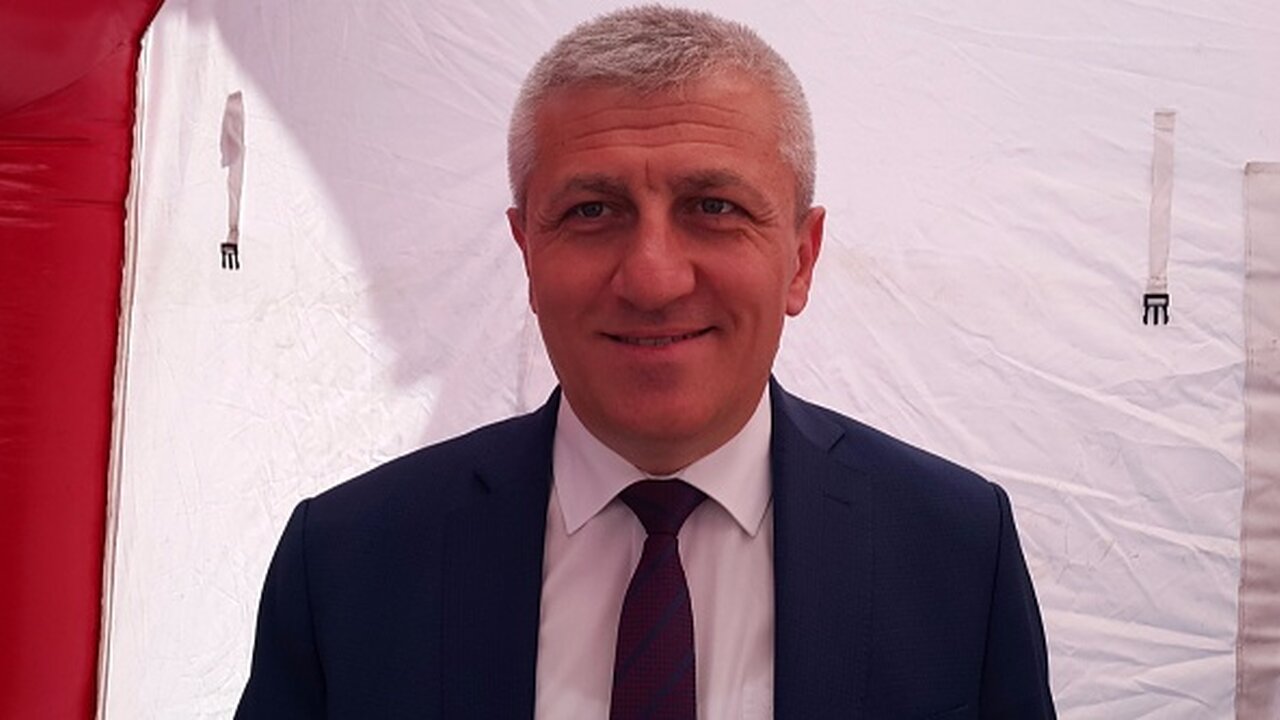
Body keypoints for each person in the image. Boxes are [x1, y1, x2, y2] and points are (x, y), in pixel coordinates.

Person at [236, 5, 1055, 718]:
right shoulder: (347, 562)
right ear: (527, 254)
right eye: (593, 210)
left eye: (714, 207)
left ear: (801, 260)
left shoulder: (954, 548)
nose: (654, 279)